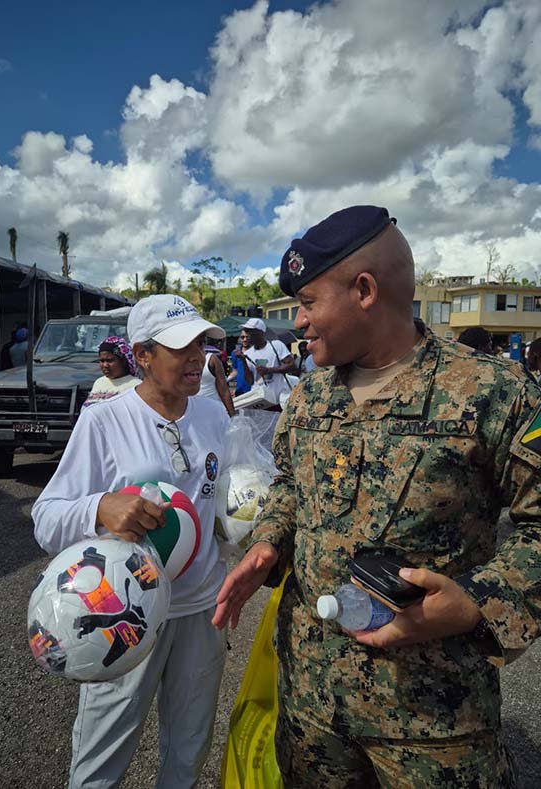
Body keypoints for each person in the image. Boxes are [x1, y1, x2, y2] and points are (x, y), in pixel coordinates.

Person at [213, 205, 541, 787]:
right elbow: (291, 486)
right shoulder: (311, 398)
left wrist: (475, 601)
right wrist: (267, 542)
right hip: (312, 710)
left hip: (434, 723)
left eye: (308, 304)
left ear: (364, 290)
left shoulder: (495, 392)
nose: (300, 323)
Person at [33, 294, 230, 788]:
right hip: (127, 615)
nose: (195, 357)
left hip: (202, 610)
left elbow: (224, 505)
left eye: (201, 344)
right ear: (142, 355)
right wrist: (99, 506)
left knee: (188, 751)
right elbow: (46, 518)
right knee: (102, 756)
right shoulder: (104, 420)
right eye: (180, 346)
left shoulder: (213, 417)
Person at [238, 318, 295, 407]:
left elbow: (292, 366)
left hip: (277, 400)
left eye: (250, 331)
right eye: (246, 331)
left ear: (261, 332)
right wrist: (243, 361)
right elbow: (250, 381)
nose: (247, 335)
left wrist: (269, 370)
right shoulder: (247, 353)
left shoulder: (276, 345)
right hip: (259, 400)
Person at [82, 335, 141, 408]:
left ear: (123, 361)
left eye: (109, 360)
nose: (105, 365)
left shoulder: (136, 386)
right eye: (102, 361)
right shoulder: (99, 382)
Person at [198, 346, 236, 417]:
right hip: (191, 413)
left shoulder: (212, 359)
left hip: (213, 412)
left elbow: (224, 391)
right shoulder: (181, 360)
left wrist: (233, 417)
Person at [228, 331, 253, 397]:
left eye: (247, 337)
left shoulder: (256, 352)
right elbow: (235, 371)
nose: (245, 339)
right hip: (239, 390)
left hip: (252, 389)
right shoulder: (235, 353)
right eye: (243, 337)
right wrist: (227, 381)